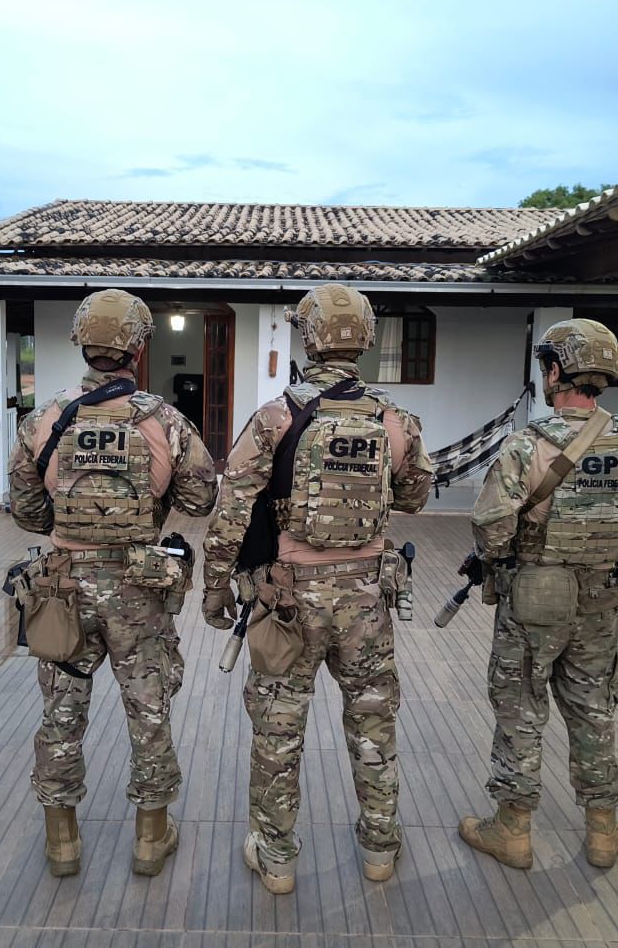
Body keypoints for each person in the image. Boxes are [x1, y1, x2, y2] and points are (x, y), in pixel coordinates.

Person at [202, 283, 433, 894]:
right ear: (365, 339)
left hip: (288, 599)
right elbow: (414, 496)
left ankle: (276, 858)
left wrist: (215, 586)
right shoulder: (396, 421)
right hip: (367, 597)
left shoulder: (276, 417)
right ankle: (380, 849)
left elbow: (232, 509)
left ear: (309, 339)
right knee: (373, 723)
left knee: (279, 730)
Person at [9, 289, 217, 878]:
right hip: (139, 590)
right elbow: (201, 499)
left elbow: (26, 510)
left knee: (61, 713)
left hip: (63, 590)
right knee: (148, 710)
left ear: (82, 341)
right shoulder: (165, 422)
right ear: (139, 346)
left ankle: (62, 842)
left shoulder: (43, 420)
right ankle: (151, 838)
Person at [458, 318, 618, 870]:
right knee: (593, 708)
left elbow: (492, 528)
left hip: (534, 599)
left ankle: (513, 829)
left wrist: (514, 554)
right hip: (604, 599)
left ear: (554, 371)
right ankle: (603, 829)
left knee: (521, 710)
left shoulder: (527, 445)